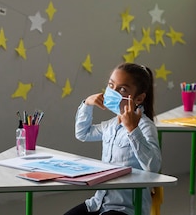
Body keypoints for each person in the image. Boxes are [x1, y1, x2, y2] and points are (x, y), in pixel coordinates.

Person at [66, 63, 161, 215]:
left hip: (126, 208)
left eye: (122, 89)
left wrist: (132, 130)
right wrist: (87, 104)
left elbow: (154, 167)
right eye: (111, 86)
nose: (112, 92)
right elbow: (82, 133)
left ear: (139, 98)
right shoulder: (110, 125)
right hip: (99, 202)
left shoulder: (145, 126)